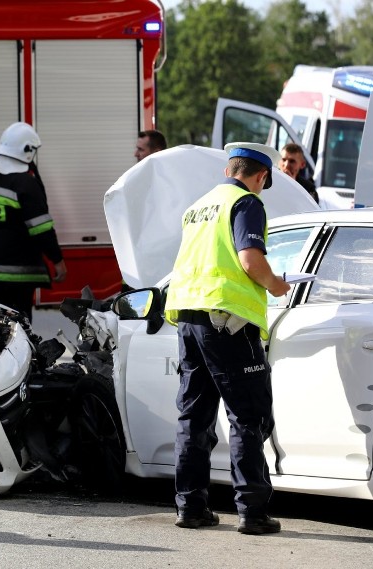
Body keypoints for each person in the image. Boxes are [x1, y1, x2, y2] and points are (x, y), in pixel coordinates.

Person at [163, 142, 291, 535]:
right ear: (261, 177)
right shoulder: (246, 203)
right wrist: (277, 285)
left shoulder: (198, 207)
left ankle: (191, 508)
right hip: (227, 322)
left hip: (188, 318)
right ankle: (252, 513)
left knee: (194, 416)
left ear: (228, 170)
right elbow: (250, 259)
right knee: (248, 416)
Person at [0, 122, 67, 321]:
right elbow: (41, 228)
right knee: (20, 327)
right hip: (18, 277)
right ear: (27, 151)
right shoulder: (25, 183)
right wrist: (57, 260)